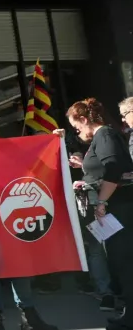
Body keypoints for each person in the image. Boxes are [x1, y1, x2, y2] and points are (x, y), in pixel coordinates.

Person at [0, 108, 57, 330]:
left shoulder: (11, 148)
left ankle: (28, 317)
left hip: (10, 217)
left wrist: (56, 141)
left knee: (19, 265)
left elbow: (40, 158)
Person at [68, 98, 133, 330]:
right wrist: (85, 170)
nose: (77, 132)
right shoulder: (105, 136)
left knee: (124, 261)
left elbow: (114, 168)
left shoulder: (104, 135)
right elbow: (105, 167)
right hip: (120, 205)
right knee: (122, 260)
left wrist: (102, 201)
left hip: (121, 206)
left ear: (85, 119)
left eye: (77, 127)